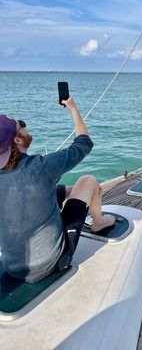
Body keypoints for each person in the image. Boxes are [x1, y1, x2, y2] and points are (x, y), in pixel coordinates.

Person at [0, 96, 115, 283]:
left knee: (67, 190)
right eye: (21, 126)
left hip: (12, 267)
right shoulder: (40, 167)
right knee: (88, 180)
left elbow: (31, 193)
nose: (24, 127)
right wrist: (73, 108)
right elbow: (84, 144)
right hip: (51, 263)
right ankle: (98, 222)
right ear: (18, 139)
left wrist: (68, 192)